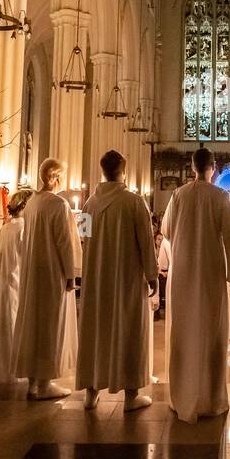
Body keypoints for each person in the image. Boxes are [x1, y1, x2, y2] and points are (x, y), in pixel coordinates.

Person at [160, 147, 230, 423]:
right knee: (211, 331)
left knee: (183, 331)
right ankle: (211, 399)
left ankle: (182, 397)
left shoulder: (178, 195)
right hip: (209, 271)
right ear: (214, 167)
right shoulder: (220, 197)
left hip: (183, 271)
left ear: (191, 167)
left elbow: (167, 231)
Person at [77, 150, 159, 411]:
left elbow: (84, 240)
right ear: (124, 170)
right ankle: (131, 395)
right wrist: (152, 275)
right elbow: (147, 243)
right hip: (126, 281)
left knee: (95, 332)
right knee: (130, 331)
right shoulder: (134, 203)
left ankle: (91, 391)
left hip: (97, 281)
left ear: (103, 171)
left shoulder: (89, 204)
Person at [14, 158, 77, 400]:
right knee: (50, 325)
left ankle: (32, 382)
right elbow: (65, 242)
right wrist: (71, 275)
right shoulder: (58, 204)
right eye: (61, 177)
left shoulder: (31, 203)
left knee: (33, 323)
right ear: (54, 177)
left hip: (32, 271)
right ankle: (45, 384)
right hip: (51, 272)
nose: (63, 182)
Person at [0, 192, 29, 383]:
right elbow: (26, 257)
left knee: (2, 326)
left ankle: (0, 369)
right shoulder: (24, 229)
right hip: (16, 279)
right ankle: (15, 370)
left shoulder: (5, 228)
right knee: (14, 325)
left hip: (2, 281)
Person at [154, 231, 171, 322]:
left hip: (164, 272)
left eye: (161, 239)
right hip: (158, 272)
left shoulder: (165, 246)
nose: (159, 241)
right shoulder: (155, 250)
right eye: (158, 239)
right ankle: (156, 313)